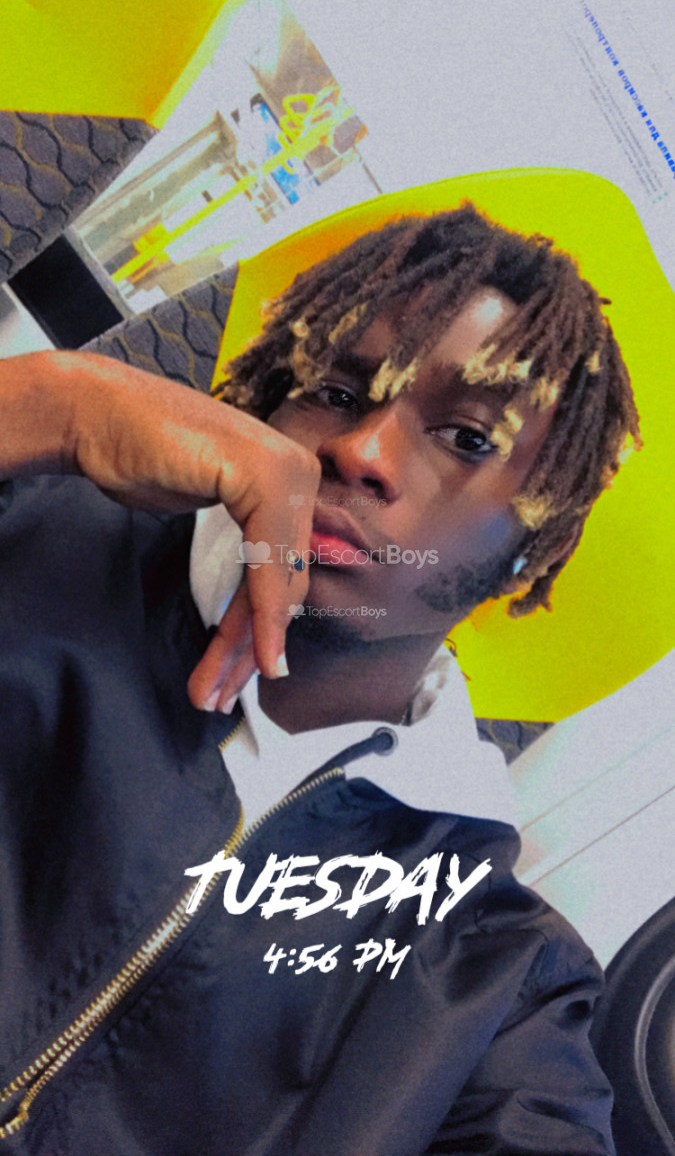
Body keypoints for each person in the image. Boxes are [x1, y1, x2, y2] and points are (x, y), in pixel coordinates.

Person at [0, 204, 640, 1154]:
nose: (361, 451)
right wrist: (48, 407)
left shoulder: (496, 976)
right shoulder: (30, 534)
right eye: (336, 393)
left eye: (467, 439)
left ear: (532, 552)